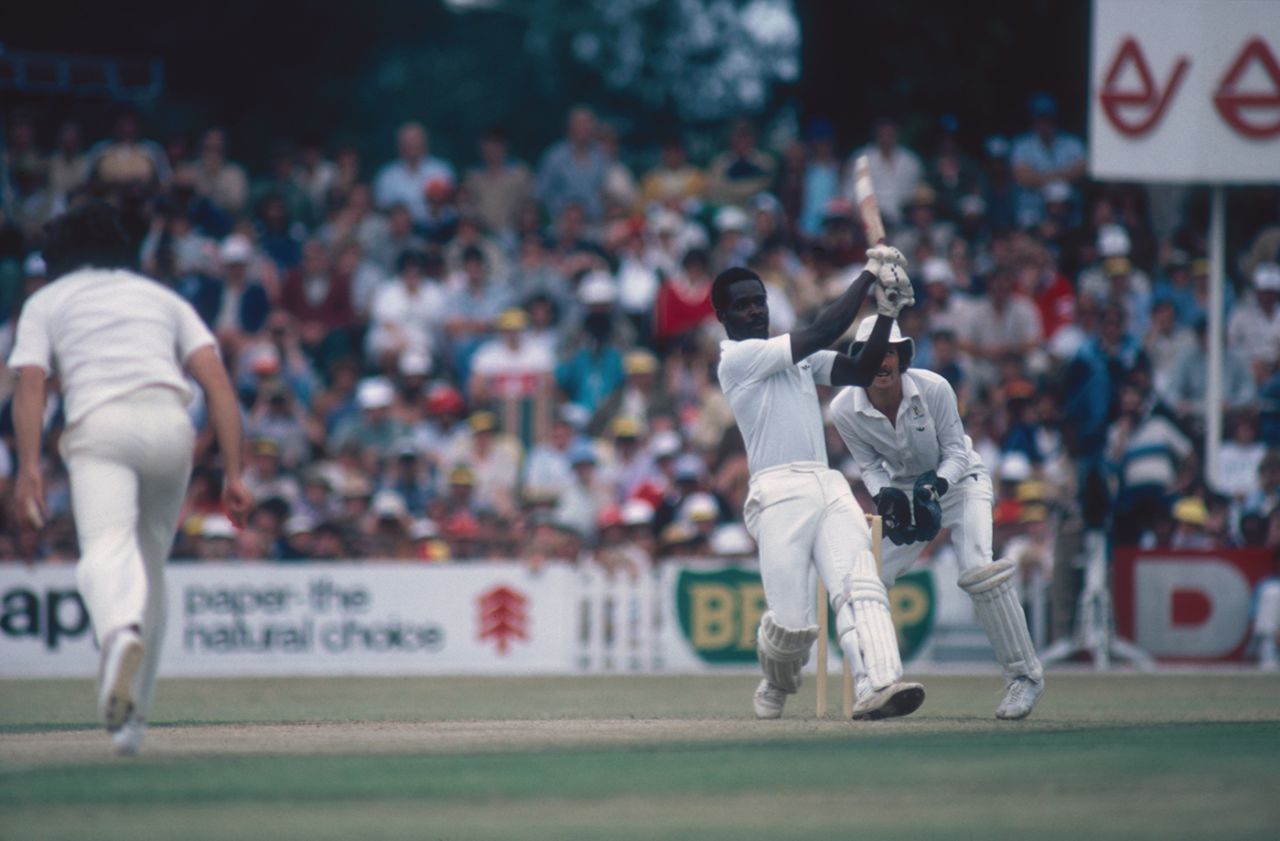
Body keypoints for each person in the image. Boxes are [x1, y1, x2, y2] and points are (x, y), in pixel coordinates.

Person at [9, 202, 252, 755]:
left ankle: (119, 633)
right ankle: (132, 720)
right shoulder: (161, 297)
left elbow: (31, 385)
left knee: (106, 548)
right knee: (151, 566)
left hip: (102, 427)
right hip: (172, 427)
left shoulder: (46, 301)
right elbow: (217, 384)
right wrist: (235, 474)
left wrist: (27, 469)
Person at [714, 247, 923, 721]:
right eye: (743, 304)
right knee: (792, 628)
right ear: (722, 315)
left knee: (859, 586)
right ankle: (777, 679)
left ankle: (879, 684)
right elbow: (826, 330)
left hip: (827, 486)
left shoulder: (798, 359)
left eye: (759, 300)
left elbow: (862, 370)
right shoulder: (738, 359)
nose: (754, 310)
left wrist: (887, 314)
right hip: (778, 491)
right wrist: (867, 276)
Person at [828, 315, 1046, 720]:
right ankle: (877, 683)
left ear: (901, 356)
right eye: (871, 354)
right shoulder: (844, 408)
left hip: (961, 484)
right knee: (861, 578)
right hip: (907, 491)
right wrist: (886, 496)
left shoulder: (934, 388)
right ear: (858, 360)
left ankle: (1024, 677)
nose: (881, 362)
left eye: (888, 352)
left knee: (978, 571)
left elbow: (957, 452)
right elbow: (870, 465)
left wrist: (937, 487)